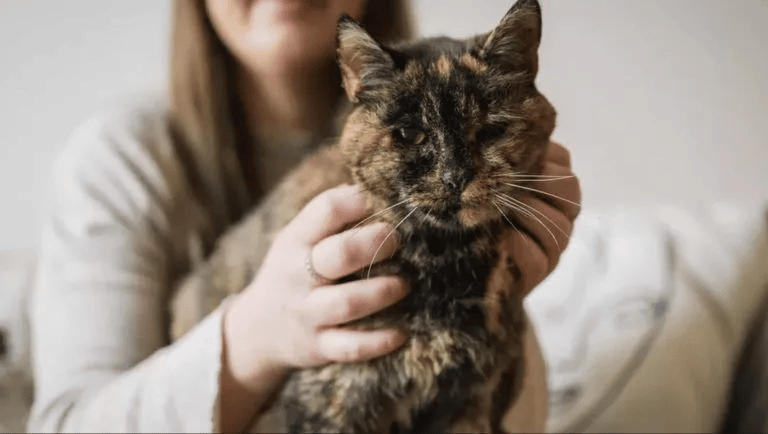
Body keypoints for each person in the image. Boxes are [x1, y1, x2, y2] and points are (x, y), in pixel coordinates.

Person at [26, 0, 581, 432]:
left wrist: (500, 304)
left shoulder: (468, 114)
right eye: (410, 137)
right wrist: (253, 336)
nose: (455, 173)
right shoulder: (123, 158)